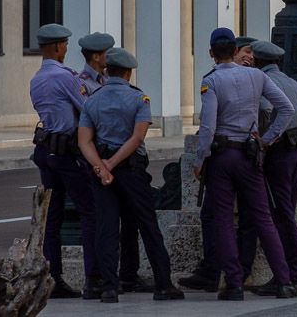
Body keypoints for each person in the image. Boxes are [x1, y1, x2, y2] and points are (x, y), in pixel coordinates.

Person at [193, 28, 297, 300]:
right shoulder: (257, 76)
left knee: (224, 220)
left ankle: (235, 283)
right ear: (235, 50)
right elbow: (287, 109)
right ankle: (284, 281)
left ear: (212, 53)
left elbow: (208, 125)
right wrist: (267, 139)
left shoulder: (211, 81)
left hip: (222, 154)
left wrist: (200, 158)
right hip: (250, 155)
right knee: (263, 218)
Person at [77, 47, 185, 303]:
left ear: (107, 70)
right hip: (131, 170)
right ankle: (163, 284)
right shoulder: (139, 99)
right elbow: (137, 138)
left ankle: (109, 287)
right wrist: (112, 164)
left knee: (106, 227)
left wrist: (101, 168)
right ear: (127, 72)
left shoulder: (92, 99)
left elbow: (84, 142)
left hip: (102, 172)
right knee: (147, 224)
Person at [29, 23, 99, 298]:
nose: (66, 49)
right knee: (90, 211)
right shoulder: (66, 77)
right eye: (65, 45)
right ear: (58, 47)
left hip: (46, 151)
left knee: (52, 217)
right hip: (68, 152)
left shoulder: (36, 78)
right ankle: (94, 277)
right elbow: (88, 109)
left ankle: (54, 277)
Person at [78, 32, 152, 294]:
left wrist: (103, 166)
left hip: (105, 162)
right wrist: (103, 165)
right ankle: (99, 278)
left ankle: (122, 277)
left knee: (124, 223)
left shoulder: (101, 87)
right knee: (109, 223)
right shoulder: (85, 85)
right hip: (108, 161)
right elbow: (133, 135)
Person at [240, 40, 297, 296]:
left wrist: (264, 140)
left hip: (278, 153)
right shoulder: (292, 82)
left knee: (280, 213)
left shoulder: (261, 82)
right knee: (286, 210)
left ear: (257, 60)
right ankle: (290, 274)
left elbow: (269, 111)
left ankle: (290, 276)